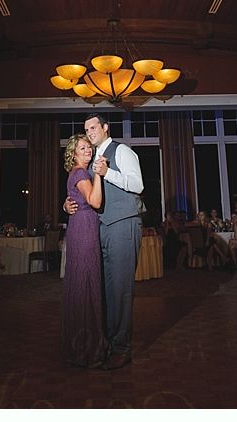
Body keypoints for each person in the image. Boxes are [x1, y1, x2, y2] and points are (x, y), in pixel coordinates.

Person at [64, 113, 145, 370]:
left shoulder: (122, 151)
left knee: (120, 290)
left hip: (124, 224)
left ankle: (122, 348)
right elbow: (83, 190)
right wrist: (66, 204)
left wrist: (108, 172)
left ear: (105, 128)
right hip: (100, 229)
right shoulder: (88, 161)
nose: (90, 132)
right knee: (106, 291)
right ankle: (108, 342)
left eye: (94, 127)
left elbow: (138, 185)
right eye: (86, 129)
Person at [60, 133, 107, 368]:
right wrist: (99, 174)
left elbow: (75, 198)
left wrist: (65, 204)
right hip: (85, 230)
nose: (87, 150)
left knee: (81, 282)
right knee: (87, 282)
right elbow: (95, 202)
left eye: (88, 146)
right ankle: (89, 348)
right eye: (82, 148)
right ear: (74, 153)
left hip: (79, 226)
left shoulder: (76, 173)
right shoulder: (80, 173)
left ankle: (79, 344)